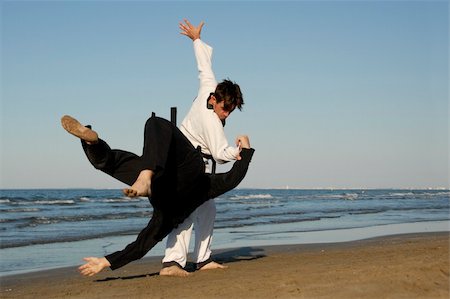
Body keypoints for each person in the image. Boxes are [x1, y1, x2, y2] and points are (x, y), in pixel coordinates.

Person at [60, 114, 254, 276]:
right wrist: (105, 261)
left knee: (143, 135)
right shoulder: (172, 213)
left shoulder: (169, 213)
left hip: (161, 171)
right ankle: (141, 174)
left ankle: (92, 144)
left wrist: (245, 149)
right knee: (154, 127)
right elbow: (141, 245)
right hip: (181, 170)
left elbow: (232, 178)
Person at [160, 19, 244, 276]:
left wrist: (196, 39)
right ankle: (172, 263)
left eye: (230, 110)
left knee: (207, 208)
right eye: (225, 109)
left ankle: (203, 259)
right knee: (186, 209)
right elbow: (220, 152)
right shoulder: (212, 122)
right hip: (184, 158)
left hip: (197, 161)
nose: (226, 114)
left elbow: (204, 65)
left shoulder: (210, 85)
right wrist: (238, 153)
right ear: (215, 99)